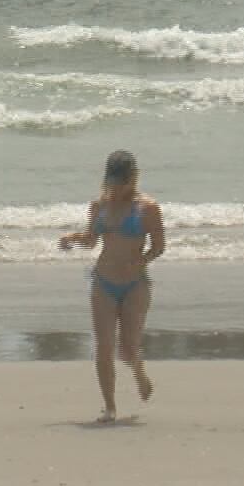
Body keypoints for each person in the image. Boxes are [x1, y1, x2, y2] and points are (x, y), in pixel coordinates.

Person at [59, 150, 166, 423]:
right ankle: (110, 407)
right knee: (104, 345)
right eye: (113, 184)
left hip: (135, 284)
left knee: (128, 347)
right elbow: (92, 239)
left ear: (133, 179)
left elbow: (158, 246)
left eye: (123, 184)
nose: (117, 190)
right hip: (103, 282)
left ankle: (139, 371)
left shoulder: (148, 208)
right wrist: (72, 237)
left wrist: (142, 261)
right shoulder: (99, 207)